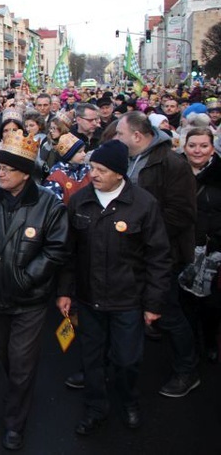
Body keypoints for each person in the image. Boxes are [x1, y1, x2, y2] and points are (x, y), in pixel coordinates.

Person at [0, 129, 69, 451]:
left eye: (6, 168)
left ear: (24, 173)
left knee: (21, 363)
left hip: (30, 301)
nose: (0, 172)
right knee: (8, 357)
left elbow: (57, 249)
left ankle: (14, 423)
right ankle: (17, 394)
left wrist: (27, 278)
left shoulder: (49, 206)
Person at [57, 140, 170, 435]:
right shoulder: (81, 201)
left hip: (128, 300)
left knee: (127, 359)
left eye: (102, 170)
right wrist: (65, 291)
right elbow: (69, 253)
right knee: (91, 359)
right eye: (92, 167)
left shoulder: (144, 204)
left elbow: (158, 258)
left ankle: (129, 401)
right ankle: (96, 408)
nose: (93, 174)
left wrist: (154, 304)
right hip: (89, 298)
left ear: (120, 174)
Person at [115, 110, 200, 398]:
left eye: (120, 134)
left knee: (168, 313)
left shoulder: (172, 164)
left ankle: (186, 371)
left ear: (137, 136)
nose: (116, 138)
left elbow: (181, 215)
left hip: (163, 255)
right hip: (132, 253)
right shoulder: (128, 159)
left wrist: (142, 233)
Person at [181, 127, 221, 363]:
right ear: (184, 147)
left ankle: (208, 341)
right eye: (192, 145)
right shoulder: (175, 171)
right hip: (182, 247)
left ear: (212, 148)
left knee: (211, 304)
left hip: (213, 251)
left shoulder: (219, 174)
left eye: (203, 145)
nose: (197, 150)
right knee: (184, 302)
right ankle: (189, 347)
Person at [42, 132, 91, 204]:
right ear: (69, 155)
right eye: (79, 152)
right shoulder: (56, 177)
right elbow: (53, 204)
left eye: (84, 150)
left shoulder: (88, 170)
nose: (84, 154)